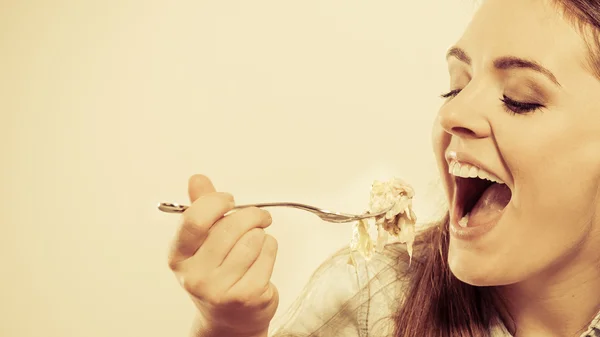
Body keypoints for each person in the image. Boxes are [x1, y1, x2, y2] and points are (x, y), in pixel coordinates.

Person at [166, 0, 600, 336]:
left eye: (520, 99)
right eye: (456, 87)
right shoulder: (372, 295)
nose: (453, 115)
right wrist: (226, 328)